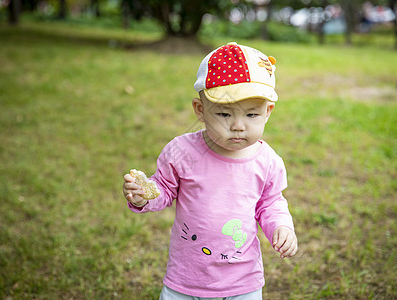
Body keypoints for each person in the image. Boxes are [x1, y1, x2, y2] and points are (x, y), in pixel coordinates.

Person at [122, 42, 298, 300]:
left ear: (267, 112)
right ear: (200, 110)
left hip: (242, 282)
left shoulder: (268, 161)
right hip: (186, 279)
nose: (238, 126)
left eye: (251, 115)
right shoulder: (182, 152)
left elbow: (270, 203)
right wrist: (144, 195)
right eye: (225, 114)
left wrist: (281, 226)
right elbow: (164, 189)